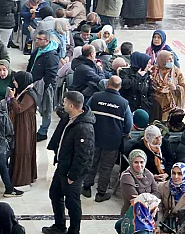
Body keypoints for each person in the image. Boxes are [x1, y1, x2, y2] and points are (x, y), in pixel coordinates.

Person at [43, 91, 95, 234]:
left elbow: (84, 156)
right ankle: (59, 226)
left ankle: (74, 231)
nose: (63, 104)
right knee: (55, 194)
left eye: (65, 102)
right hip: (62, 166)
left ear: (71, 105)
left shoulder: (84, 128)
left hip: (73, 172)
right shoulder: (69, 117)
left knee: (72, 203)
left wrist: (73, 176)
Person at [82, 76, 132, 202]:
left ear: (107, 85)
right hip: (112, 141)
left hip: (94, 136)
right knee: (106, 167)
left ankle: (86, 187)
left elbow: (85, 112)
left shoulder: (95, 97)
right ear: (119, 87)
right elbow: (128, 124)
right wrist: (125, 133)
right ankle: (101, 193)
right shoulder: (124, 103)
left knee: (91, 162)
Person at [27, 30, 59, 141]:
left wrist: (42, 87)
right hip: (33, 84)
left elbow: (51, 75)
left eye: (40, 39)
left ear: (47, 41)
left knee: (46, 109)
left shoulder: (51, 55)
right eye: (37, 38)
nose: (37, 41)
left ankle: (43, 131)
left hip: (45, 86)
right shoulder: (38, 50)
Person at [119, 149, 160, 215]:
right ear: (131, 162)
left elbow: (156, 192)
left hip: (150, 213)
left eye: (141, 162)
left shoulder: (148, 173)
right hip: (133, 215)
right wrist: (153, 201)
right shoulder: (126, 177)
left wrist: (153, 203)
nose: (139, 165)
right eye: (136, 162)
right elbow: (136, 199)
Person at [150, 50, 185, 121]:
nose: (171, 61)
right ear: (162, 60)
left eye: (172, 59)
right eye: (169, 59)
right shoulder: (153, 70)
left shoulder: (176, 71)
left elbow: (183, 86)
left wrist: (176, 88)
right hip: (156, 105)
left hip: (172, 105)